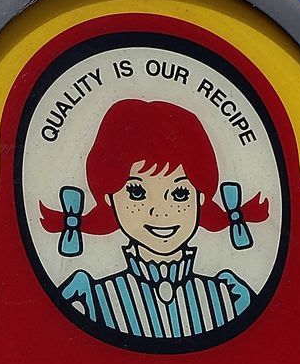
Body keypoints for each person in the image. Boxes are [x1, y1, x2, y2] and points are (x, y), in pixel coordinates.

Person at [40, 99, 272, 341]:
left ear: (201, 197)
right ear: (108, 196)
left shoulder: (228, 294)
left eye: (180, 194)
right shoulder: (90, 296)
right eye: (137, 193)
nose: (160, 212)